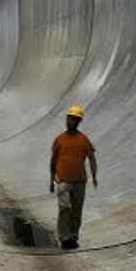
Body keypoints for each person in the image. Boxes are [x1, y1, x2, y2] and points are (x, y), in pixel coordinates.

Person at [49, 104, 97, 250]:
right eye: (69, 118)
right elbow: (53, 160)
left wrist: (94, 176)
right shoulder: (59, 139)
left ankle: (73, 236)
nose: (71, 121)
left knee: (77, 211)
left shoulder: (83, 140)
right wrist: (51, 179)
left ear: (78, 122)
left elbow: (92, 158)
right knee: (65, 208)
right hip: (63, 180)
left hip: (79, 182)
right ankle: (64, 238)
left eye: (74, 119)